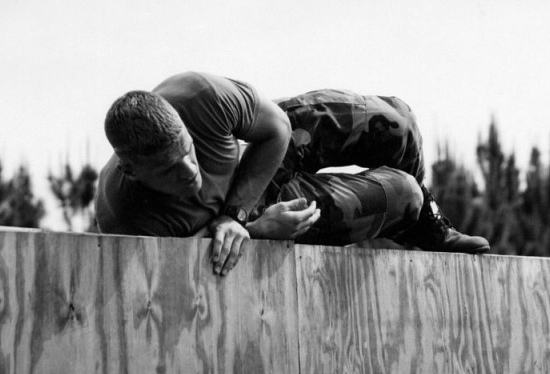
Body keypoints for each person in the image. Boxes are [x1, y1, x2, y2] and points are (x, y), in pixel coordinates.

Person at [95, 72, 489, 276]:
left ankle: (429, 230)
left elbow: (277, 129)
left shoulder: (199, 96)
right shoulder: (127, 217)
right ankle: (415, 215)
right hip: (262, 219)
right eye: (168, 170)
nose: (190, 172)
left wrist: (237, 215)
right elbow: (188, 274)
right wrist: (257, 230)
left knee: (396, 123)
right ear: (132, 171)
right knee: (405, 197)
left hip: (258, 165)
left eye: (188, 150)